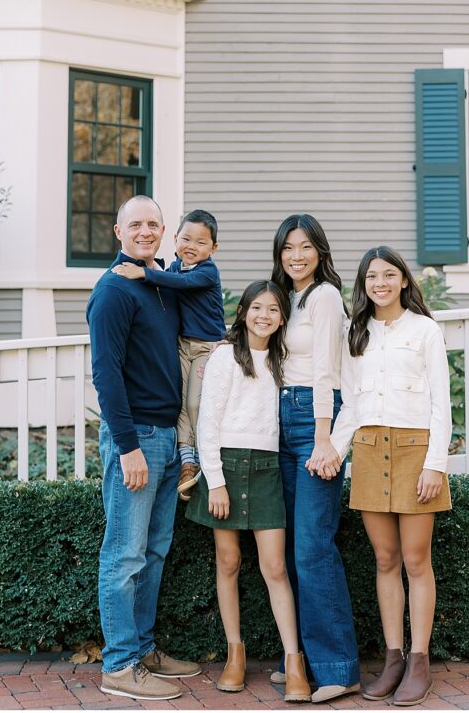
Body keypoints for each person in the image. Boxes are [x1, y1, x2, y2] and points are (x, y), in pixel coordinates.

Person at [324, 246, 452, 707]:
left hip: (416, 451)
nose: (380, 283)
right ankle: (393, 658)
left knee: (417, 561)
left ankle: (419, 661)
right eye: (371, 276)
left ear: (403, 281)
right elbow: (351, 405)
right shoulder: (356, 334)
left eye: (388, 275)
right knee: (385, 560)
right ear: (363, 284)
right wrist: (334, 451)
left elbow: (442, 403)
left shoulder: (425, 330)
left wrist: (435, 463)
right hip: (370, 449)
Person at [86, 195, 201, 702]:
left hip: (168, 437)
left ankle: (143, 649)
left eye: (154, 224)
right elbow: (105, 374)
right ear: (118, 231)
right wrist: (128, 446)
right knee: (124, 555)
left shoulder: (160, 284)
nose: (146, 231)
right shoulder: (113, 290)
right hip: (136, 439)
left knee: (153, 553)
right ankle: (119, 665)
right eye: (136, 224)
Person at [186, 281, 311, 703]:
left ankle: (293, 660)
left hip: (266, 468)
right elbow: (207, 422)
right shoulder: (225, 356)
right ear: (243, 312)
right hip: (226, 464)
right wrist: (215, 481)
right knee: (228, 561)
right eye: (257, 308)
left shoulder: (282, 359)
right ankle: (234, 653)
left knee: (275, 567)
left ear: (281, 319)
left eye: (273, 309)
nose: (264, 315)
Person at [270, 214, 360, 704]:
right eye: (288, 247)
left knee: (312, 546)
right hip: (283, 418)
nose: (296, 256)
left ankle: (338, 668)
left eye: (305, 247)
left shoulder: (324, 296)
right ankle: (305, 661)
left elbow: (327, 371)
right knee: (289, 548)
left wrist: (325, 439)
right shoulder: (290, 299)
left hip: (313, 421)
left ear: (320, 252)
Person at [113, 208, 225, 500]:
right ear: (174, 238)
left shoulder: (207, 271)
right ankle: (187, 461)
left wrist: (143, 273)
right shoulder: (174, 268)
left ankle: (204, 454)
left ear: (213, 248)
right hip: (183, 347)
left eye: (201, 243)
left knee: (195, 403)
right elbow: (172, 283)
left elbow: (183, 285)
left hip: (206, 348)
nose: (192, 247)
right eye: (186, 239)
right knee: (181, 401)